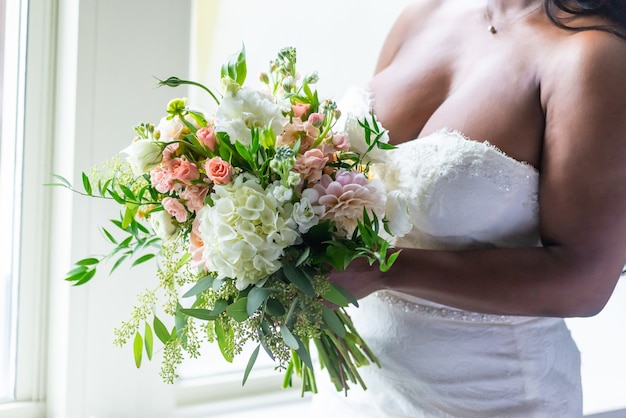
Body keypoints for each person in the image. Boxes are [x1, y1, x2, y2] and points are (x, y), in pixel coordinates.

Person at [308, 0, 626, 416]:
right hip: (359, 386)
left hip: (489, 397)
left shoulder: (592, 58)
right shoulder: (425, 14)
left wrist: (383, 269)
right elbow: (361, 181)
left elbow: (585, 282)